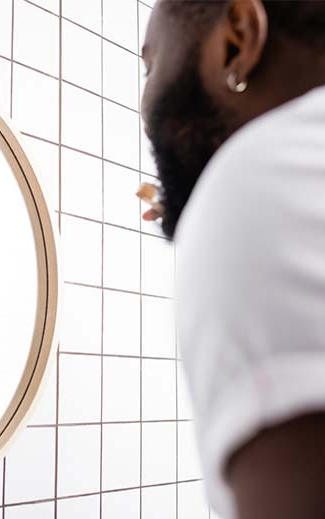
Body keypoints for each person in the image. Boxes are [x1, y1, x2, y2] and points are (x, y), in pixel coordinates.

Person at [140, 1, 325, 518]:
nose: (146, 105)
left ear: (237, 41)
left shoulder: (262, 177)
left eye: (151, 65)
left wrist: (230, 198)